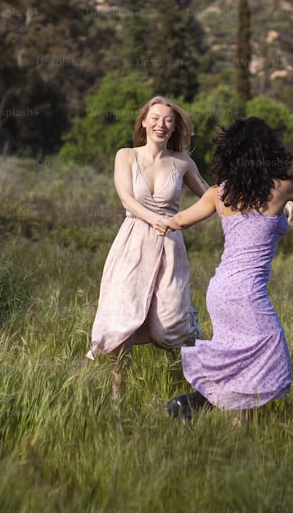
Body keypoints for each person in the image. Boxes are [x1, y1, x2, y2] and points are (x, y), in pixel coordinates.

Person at [155, 118, 293, 423]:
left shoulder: (219, 193)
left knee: (241, 361)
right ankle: (193, 403)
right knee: (272, 353)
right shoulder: (282, 187)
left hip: (220, 292)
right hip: (247, 294)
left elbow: (178, 221)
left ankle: (231, 429)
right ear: (269, 150)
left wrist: (149, 217)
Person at [86, 96, 209, 398]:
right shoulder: (126, 156)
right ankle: (118, 391)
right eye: (155, 118)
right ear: (143, 122)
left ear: (174, 126)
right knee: (124, 313)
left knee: (171, 321)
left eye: (168, 120)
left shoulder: (182, 162)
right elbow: (127, 199)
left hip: (169, 246)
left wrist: (180, 221)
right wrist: (156, 219)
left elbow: (210, 197)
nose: (161, 124)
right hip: (133, 242)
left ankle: (199, 382)